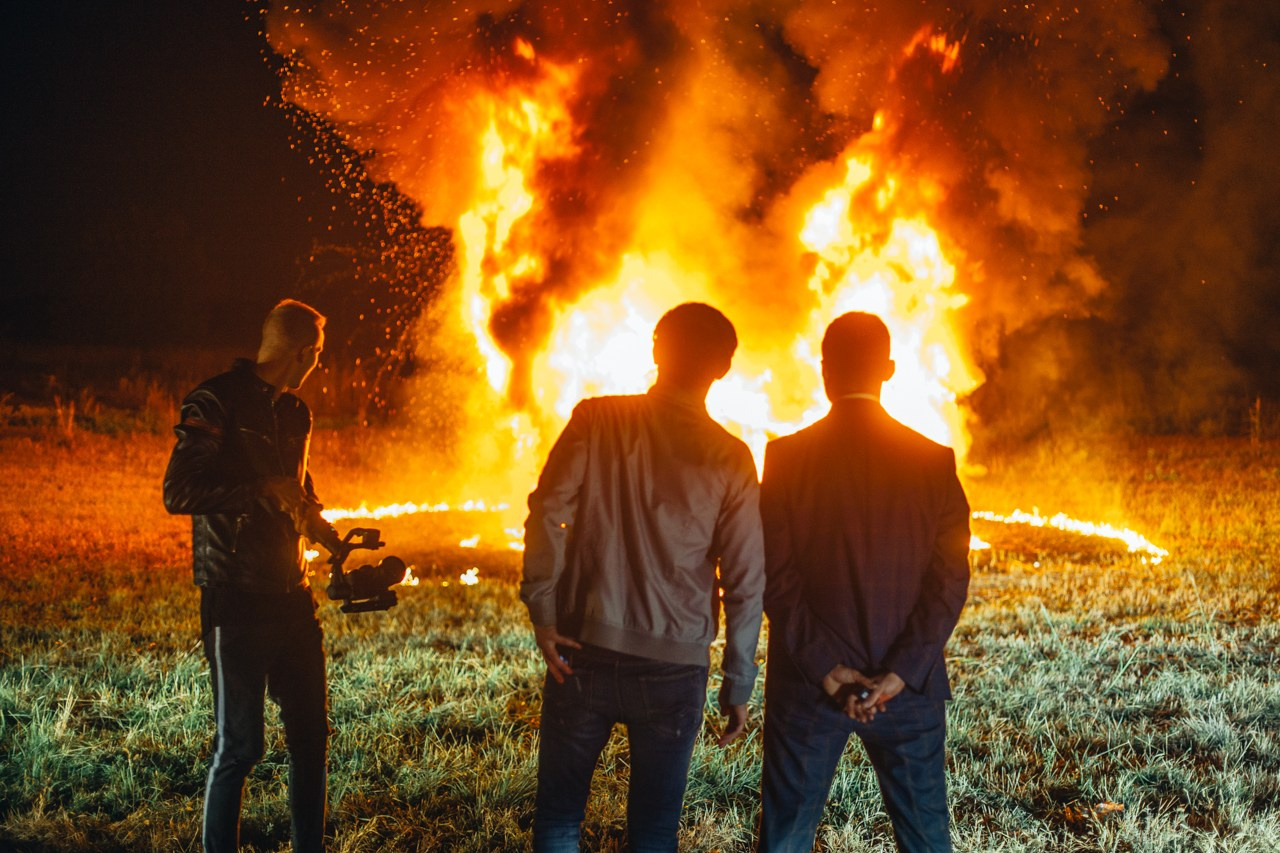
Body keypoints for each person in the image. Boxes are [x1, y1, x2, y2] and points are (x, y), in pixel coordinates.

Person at [521, 302, 766, 852]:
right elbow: (746, 581)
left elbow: (546, 511)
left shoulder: (595, 418)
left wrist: (543, 609)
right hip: (674, 668)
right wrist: (738, 682)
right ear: (724, 368)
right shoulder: (731, 458)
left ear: (656, 348)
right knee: (654, 832)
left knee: (559, 817)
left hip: (582, 648)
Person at [757, 312, 971, 853]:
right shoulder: (933, 462)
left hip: (810, 688)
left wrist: (828, 669)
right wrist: (901, 672)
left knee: (785, 838)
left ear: (825, 371)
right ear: (890, 370)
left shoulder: (786, 459)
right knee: (926, 839)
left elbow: (774, 578)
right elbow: (949, 581)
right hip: (907, 694)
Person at [164, 299, 342, 853]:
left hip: (294, 597)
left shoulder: (296, 413)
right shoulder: (214, 399)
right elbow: (180, 492)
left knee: (311, 740)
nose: (319, 363)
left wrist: (330, 535)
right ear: (305, 352)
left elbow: (300, 493)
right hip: (234, 597)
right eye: (318, 353)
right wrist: (259, 492)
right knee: (239, 748)